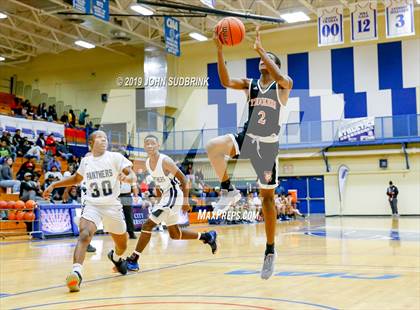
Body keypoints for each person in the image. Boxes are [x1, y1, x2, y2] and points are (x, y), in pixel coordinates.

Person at [205, 27, 293, 279]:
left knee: (267, 200)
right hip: (247, 137)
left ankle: (269, 251)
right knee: (213, 146)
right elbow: (225, 81)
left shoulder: (283, 85)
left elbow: (283, 79)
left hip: (267, 145)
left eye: (267, 60)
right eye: (260, 60)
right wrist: (219, 49)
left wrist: (262, 50)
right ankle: (227, 188)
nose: (261, 62)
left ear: (273, 64)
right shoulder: (250, 84)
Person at [43, 130, 137, 292]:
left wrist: (128, 178)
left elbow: (133, 175)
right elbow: (76, 179)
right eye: (99, 138)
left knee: (122, 245)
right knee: (85, 234)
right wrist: (53, 185)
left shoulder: (115, 157)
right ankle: (76, 273)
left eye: (105, 138)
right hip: (92, 205)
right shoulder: (86, 162)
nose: (103, 140)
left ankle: (114, 257)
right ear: (91, 143)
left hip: (112, 206)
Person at [125, 135, 217, 272]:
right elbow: (158, 182)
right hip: (166, 197)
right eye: (147, 144)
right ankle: (207, 236)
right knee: (174, 234)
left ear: (158, 146)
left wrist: (186, 201)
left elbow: (184, 180)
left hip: (174, 195)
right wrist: (159, 199)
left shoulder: (165, 161)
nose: (150, 146)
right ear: (144, 147)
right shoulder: (147, 163)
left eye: (152, 143)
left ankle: (134, 259)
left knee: (147, 225)